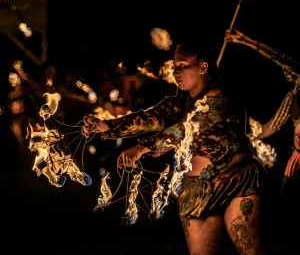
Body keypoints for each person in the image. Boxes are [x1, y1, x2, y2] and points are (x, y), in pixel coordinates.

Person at [83, 37, 269, 255]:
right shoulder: (181, 102)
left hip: (237, 180)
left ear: (203, 67)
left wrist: (142, 148)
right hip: (198, 190)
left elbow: (183, 129)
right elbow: (152, 117)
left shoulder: (223, 98)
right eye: (174, 67)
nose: (177, 72)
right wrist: (107, 126)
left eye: (182, 66)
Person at [225, 28, 300, 201]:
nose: (286, 74)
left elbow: (280, 58)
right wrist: (251, 136)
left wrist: (245, 40)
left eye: (288, 72)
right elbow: (273, 125)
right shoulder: (292, 98)